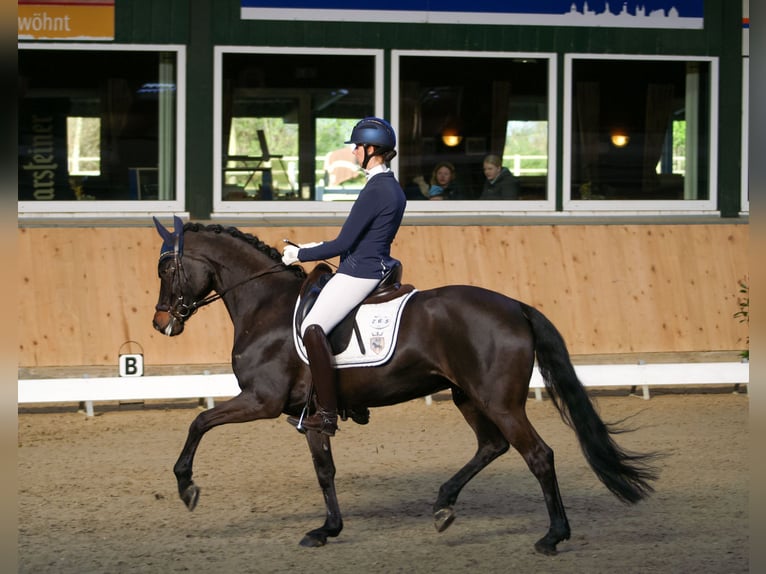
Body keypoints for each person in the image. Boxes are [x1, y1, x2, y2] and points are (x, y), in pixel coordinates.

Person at [281, 117, 406, 436]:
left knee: (312, 327)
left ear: (372, 150)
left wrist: (300, 255)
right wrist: (311, 246)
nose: (352, 153)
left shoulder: (377, 190)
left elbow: (344, 243)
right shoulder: (389, 186)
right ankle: (352, 398)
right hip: (374, 265)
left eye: (357, 148)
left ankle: (327, 413)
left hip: (360, 271)